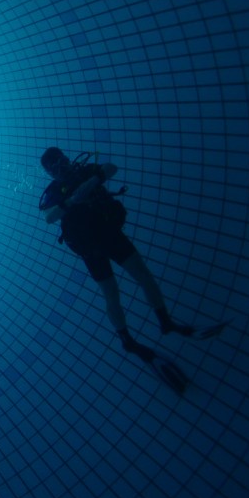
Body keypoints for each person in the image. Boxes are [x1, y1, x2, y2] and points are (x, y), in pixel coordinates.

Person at [39, 147, 197, 366]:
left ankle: (165, 321)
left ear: (65, 158)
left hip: (110, 233)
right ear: (50, 173)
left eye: (62, 161)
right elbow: (48, 216)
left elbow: (111, 168)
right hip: (90, 247)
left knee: (143, 275)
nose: (61, 167)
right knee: (111, 292)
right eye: (54, 167)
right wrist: (73, 199)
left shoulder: (83, 171)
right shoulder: (55, 190)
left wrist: (92, 182)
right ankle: (127, 340)